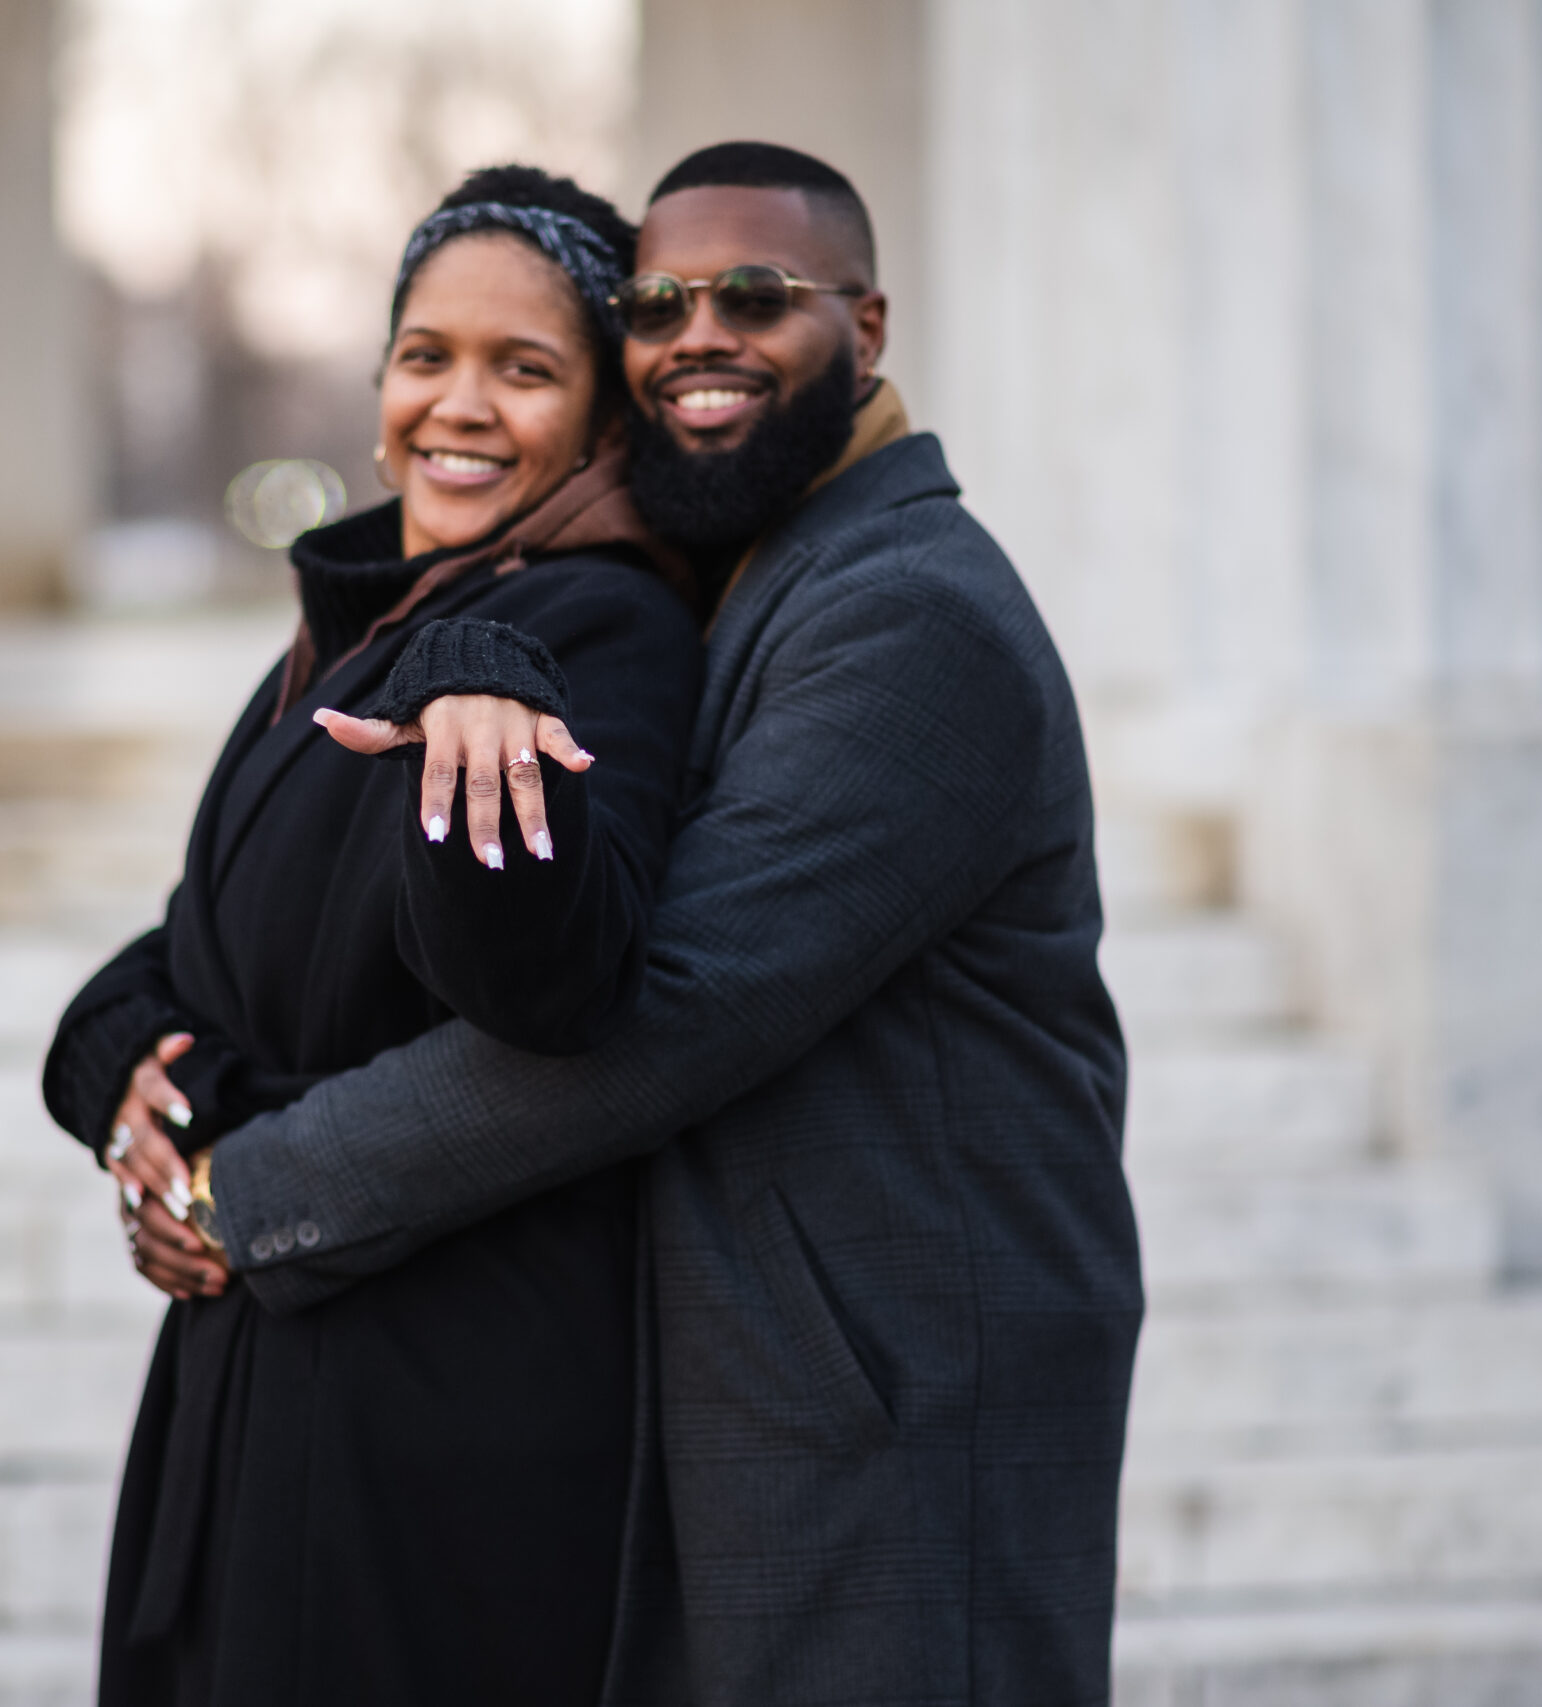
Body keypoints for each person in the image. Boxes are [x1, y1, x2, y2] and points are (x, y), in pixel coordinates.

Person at [125, 142, 1144, 1705]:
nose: (699, 340)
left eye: (757, 296)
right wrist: (116, 1053)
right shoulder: (762, 571)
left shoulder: (907, 615)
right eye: (658, 306)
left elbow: (665, 1009)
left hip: (896, 1405)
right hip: (774, 1395)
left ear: (867, 330)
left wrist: (243, 1191)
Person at [41, 165, 703, 1705]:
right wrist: (113, 1061)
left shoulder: (604, 629)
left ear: (605, 414)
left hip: (434, 1412)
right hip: (257, 1372)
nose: (457, 406)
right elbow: (209, 939)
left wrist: (494, 680)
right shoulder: (365, 623)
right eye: (427, 356)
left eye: (524, 369)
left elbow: (544, 979)